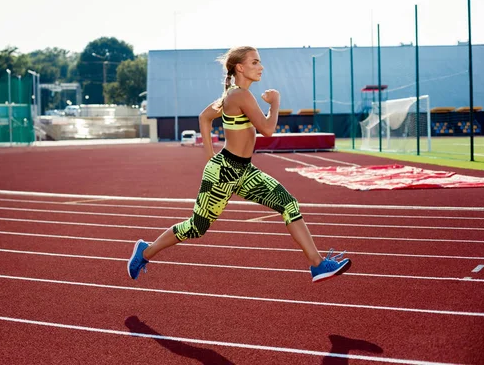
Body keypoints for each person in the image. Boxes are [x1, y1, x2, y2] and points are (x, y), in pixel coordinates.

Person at [128, 46, 351, 283]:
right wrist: (275, 103)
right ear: (240, 68)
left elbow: (204, 117)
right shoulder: (239, 95)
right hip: (223, 171)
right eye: (255, 62)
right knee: (196, 227)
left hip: (244, 170)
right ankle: (145, 251)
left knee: (288, 204)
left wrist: (208, 156)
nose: (261, 67)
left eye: (260, 62)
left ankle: (317, 264)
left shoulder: (233, 95)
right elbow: (267, 130)